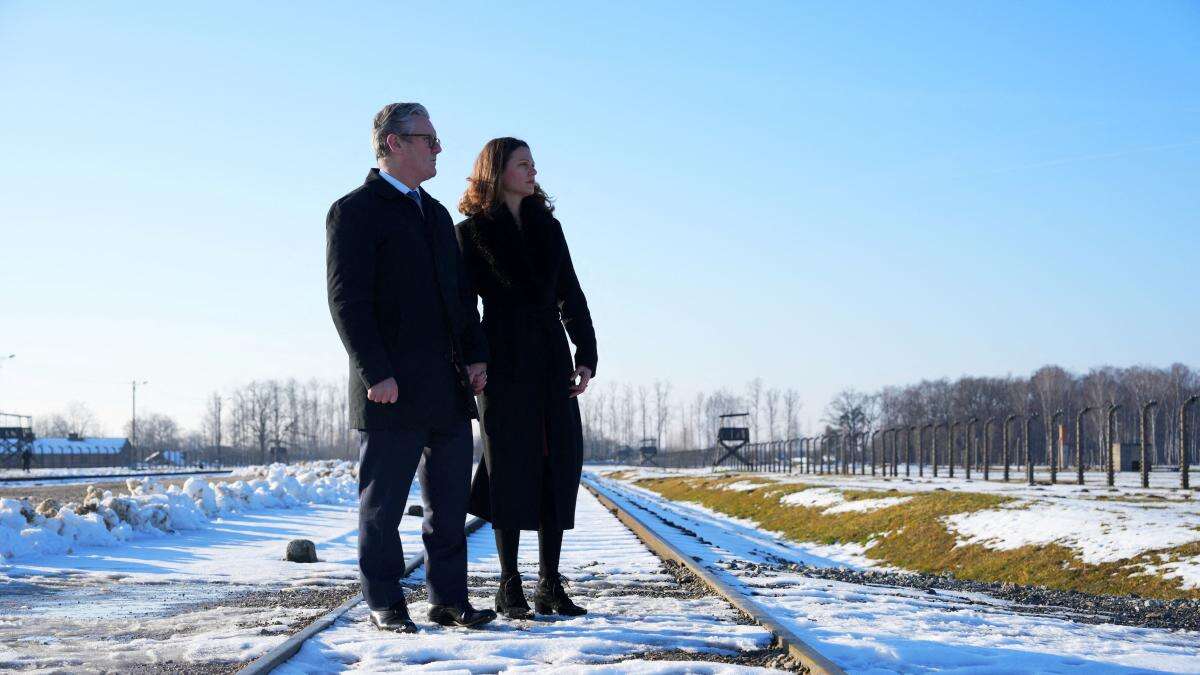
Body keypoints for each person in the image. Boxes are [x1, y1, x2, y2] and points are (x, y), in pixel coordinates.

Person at [326, 102, 494, 633]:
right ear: (393, 144)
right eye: (428, 138)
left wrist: (475, 355)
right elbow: (347, 301)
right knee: (384, 506)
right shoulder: (354, 211)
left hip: (445, 385)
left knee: (448, 506)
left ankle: (448, 600)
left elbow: (460, 297)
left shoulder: (438, 214)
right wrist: (375, 373)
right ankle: (384, 601)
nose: (438, 148)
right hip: (390, 388)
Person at [456, 137, 598, 620]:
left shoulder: (549, 227)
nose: (533, 171)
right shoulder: (470, 233)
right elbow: (463, 307)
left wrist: (587, 354)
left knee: (557, 460)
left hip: (550, 357)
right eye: (523, 164)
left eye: (534, 164)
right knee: (507, 465)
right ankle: (508, 584)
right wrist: (474, 359)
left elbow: (571, 295)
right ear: (497, 172)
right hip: (500, 359)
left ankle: (549, 584)